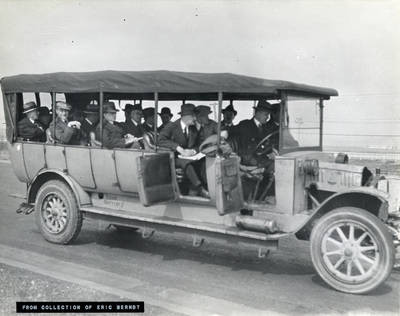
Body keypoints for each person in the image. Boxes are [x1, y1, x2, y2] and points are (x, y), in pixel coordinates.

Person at [159, 103, 209, 198]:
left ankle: (203, 187)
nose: (196, 119)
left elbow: (199, 144)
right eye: (194, 116)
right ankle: (200, 188)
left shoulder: (193, 128)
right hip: (173, 158)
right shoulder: (172, 126)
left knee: (204, 161)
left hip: (190, 157)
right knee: (185, 163)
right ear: (186, 116)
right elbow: (160, 140)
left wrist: (193, 151)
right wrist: (179, 148)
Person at [236, 100, 278, 200]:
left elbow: (267, 145)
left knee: (279, 165)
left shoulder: (266, 128)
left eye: (268, 115)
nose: (267, 117)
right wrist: (266, 156)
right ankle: (260, 198)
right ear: (257, 113)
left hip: (260, 160)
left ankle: (265, 197)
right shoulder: (245, 125)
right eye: (266, 114)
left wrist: (273, 152)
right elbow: (247, 149)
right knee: (273, 167)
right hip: (247, 160)